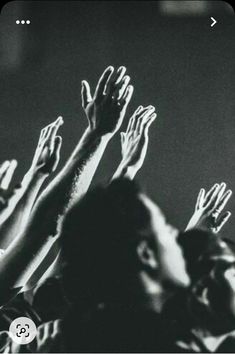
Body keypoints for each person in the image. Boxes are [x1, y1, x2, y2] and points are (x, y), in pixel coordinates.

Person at [33, 177, 190, 352]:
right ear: (145, 253)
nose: (176, 233)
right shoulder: (163, 346)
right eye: (165, 228)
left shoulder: (76, 341)